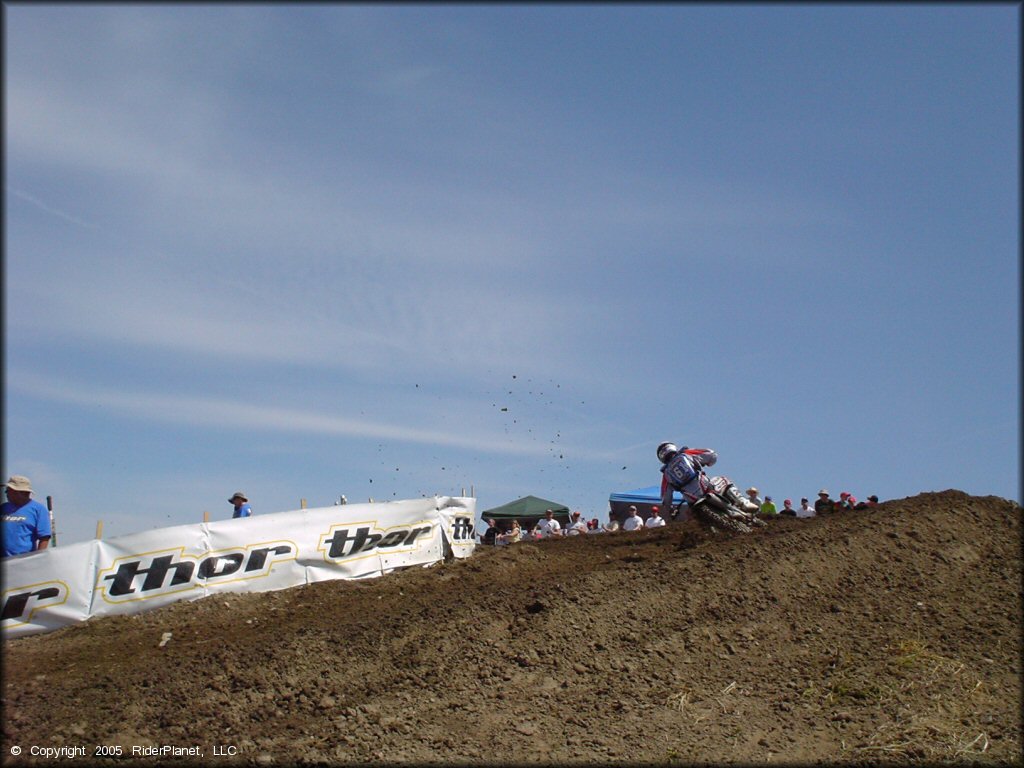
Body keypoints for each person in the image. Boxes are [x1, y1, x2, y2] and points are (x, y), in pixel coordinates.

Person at [657, 442, 759, 516]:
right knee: (724, 479)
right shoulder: (687, 454)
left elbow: (665, 499)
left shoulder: (665, 475)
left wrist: (671, 508)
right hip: (706, 488)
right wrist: (707, 463)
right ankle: (743, 502)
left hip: (692, 501)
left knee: (693, 515)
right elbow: (711, 454)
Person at [2, 475, 52, 557]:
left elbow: (44, 538)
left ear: (21, 492)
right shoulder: (3, 508)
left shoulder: (38, 509)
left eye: (8, 491)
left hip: (24, 562)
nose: (6, 494)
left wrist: (38, 559)